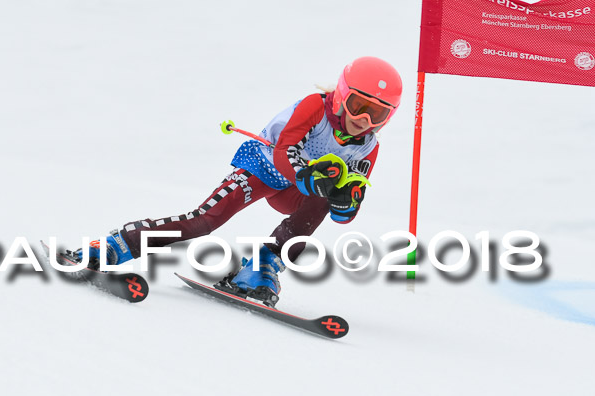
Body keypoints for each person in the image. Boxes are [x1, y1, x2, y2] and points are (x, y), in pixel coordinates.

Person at [77, 56, 402, 306]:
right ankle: (115, 245)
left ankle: (261, 266)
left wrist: (345, 201)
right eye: (359, 106)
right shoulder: (314, 107)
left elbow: (344, 214)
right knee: (205, 221)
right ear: (342, 94)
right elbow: (284, 150)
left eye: (378, 114)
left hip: (295, 191)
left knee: (326, 196)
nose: (364, 121)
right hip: (262, 168)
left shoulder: (369, 147)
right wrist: (308, 180)